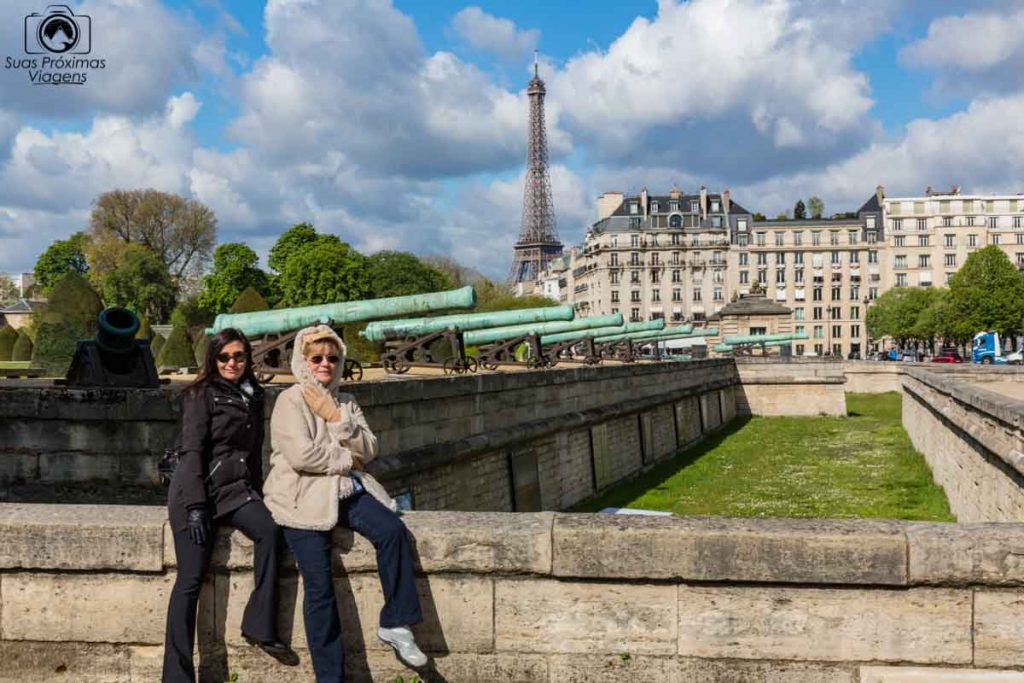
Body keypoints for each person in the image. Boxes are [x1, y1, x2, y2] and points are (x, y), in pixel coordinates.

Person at [263, 324, 426, 681]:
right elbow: (302, 455)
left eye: (333, 358)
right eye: (317, 358)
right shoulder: (289, 401)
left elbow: (369, 449)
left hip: (342, 491)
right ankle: (330, 677)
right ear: (303, 361)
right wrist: (345, 458)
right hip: (300, 499)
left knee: (393, 531)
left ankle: (397, 622)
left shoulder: (346, 402)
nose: (325, 364)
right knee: (319, 589)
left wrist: (336, 418)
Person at [163, 328, 293, 682]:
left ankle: (259, 625)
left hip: (235, 492)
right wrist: (194, 506)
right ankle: (176, 675)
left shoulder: (255, 396)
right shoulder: (199, 395)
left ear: (248, 359)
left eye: (239, 356)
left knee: (270, 530)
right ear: (213, 359)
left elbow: (254, 454)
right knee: (190, 579)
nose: (232, 362)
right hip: (197, 491)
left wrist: (260, 494)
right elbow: (192, 453)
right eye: (224, 357)